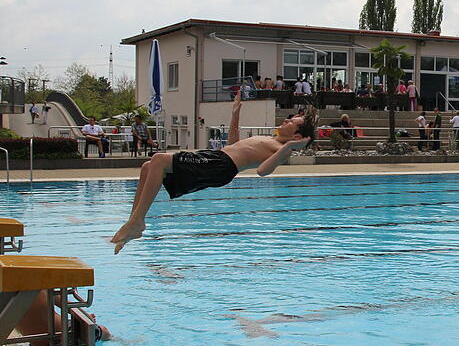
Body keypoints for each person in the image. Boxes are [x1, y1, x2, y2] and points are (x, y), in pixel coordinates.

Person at [110, 92, 316, 253]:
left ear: (297, 135)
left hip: (221, 165)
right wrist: (235, 114)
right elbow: (233, 144)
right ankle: (134, 223)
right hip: (217, 158)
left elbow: (263, 171)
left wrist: (289, 148)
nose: (286, 121)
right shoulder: (270, 140)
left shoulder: (278, 149)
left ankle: (137, 221)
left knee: (159, 160)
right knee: (148, 167)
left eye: (292, 122)